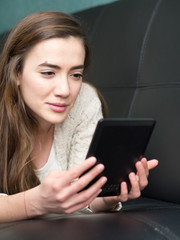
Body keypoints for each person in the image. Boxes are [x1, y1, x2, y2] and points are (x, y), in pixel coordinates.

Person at [0, 11, 158, 223]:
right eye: (48, 72)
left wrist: (106, 197)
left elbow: (82, 196)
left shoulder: (84, 101)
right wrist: (32, 203)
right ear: (17, 73)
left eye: (76, 74)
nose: (65, 90)